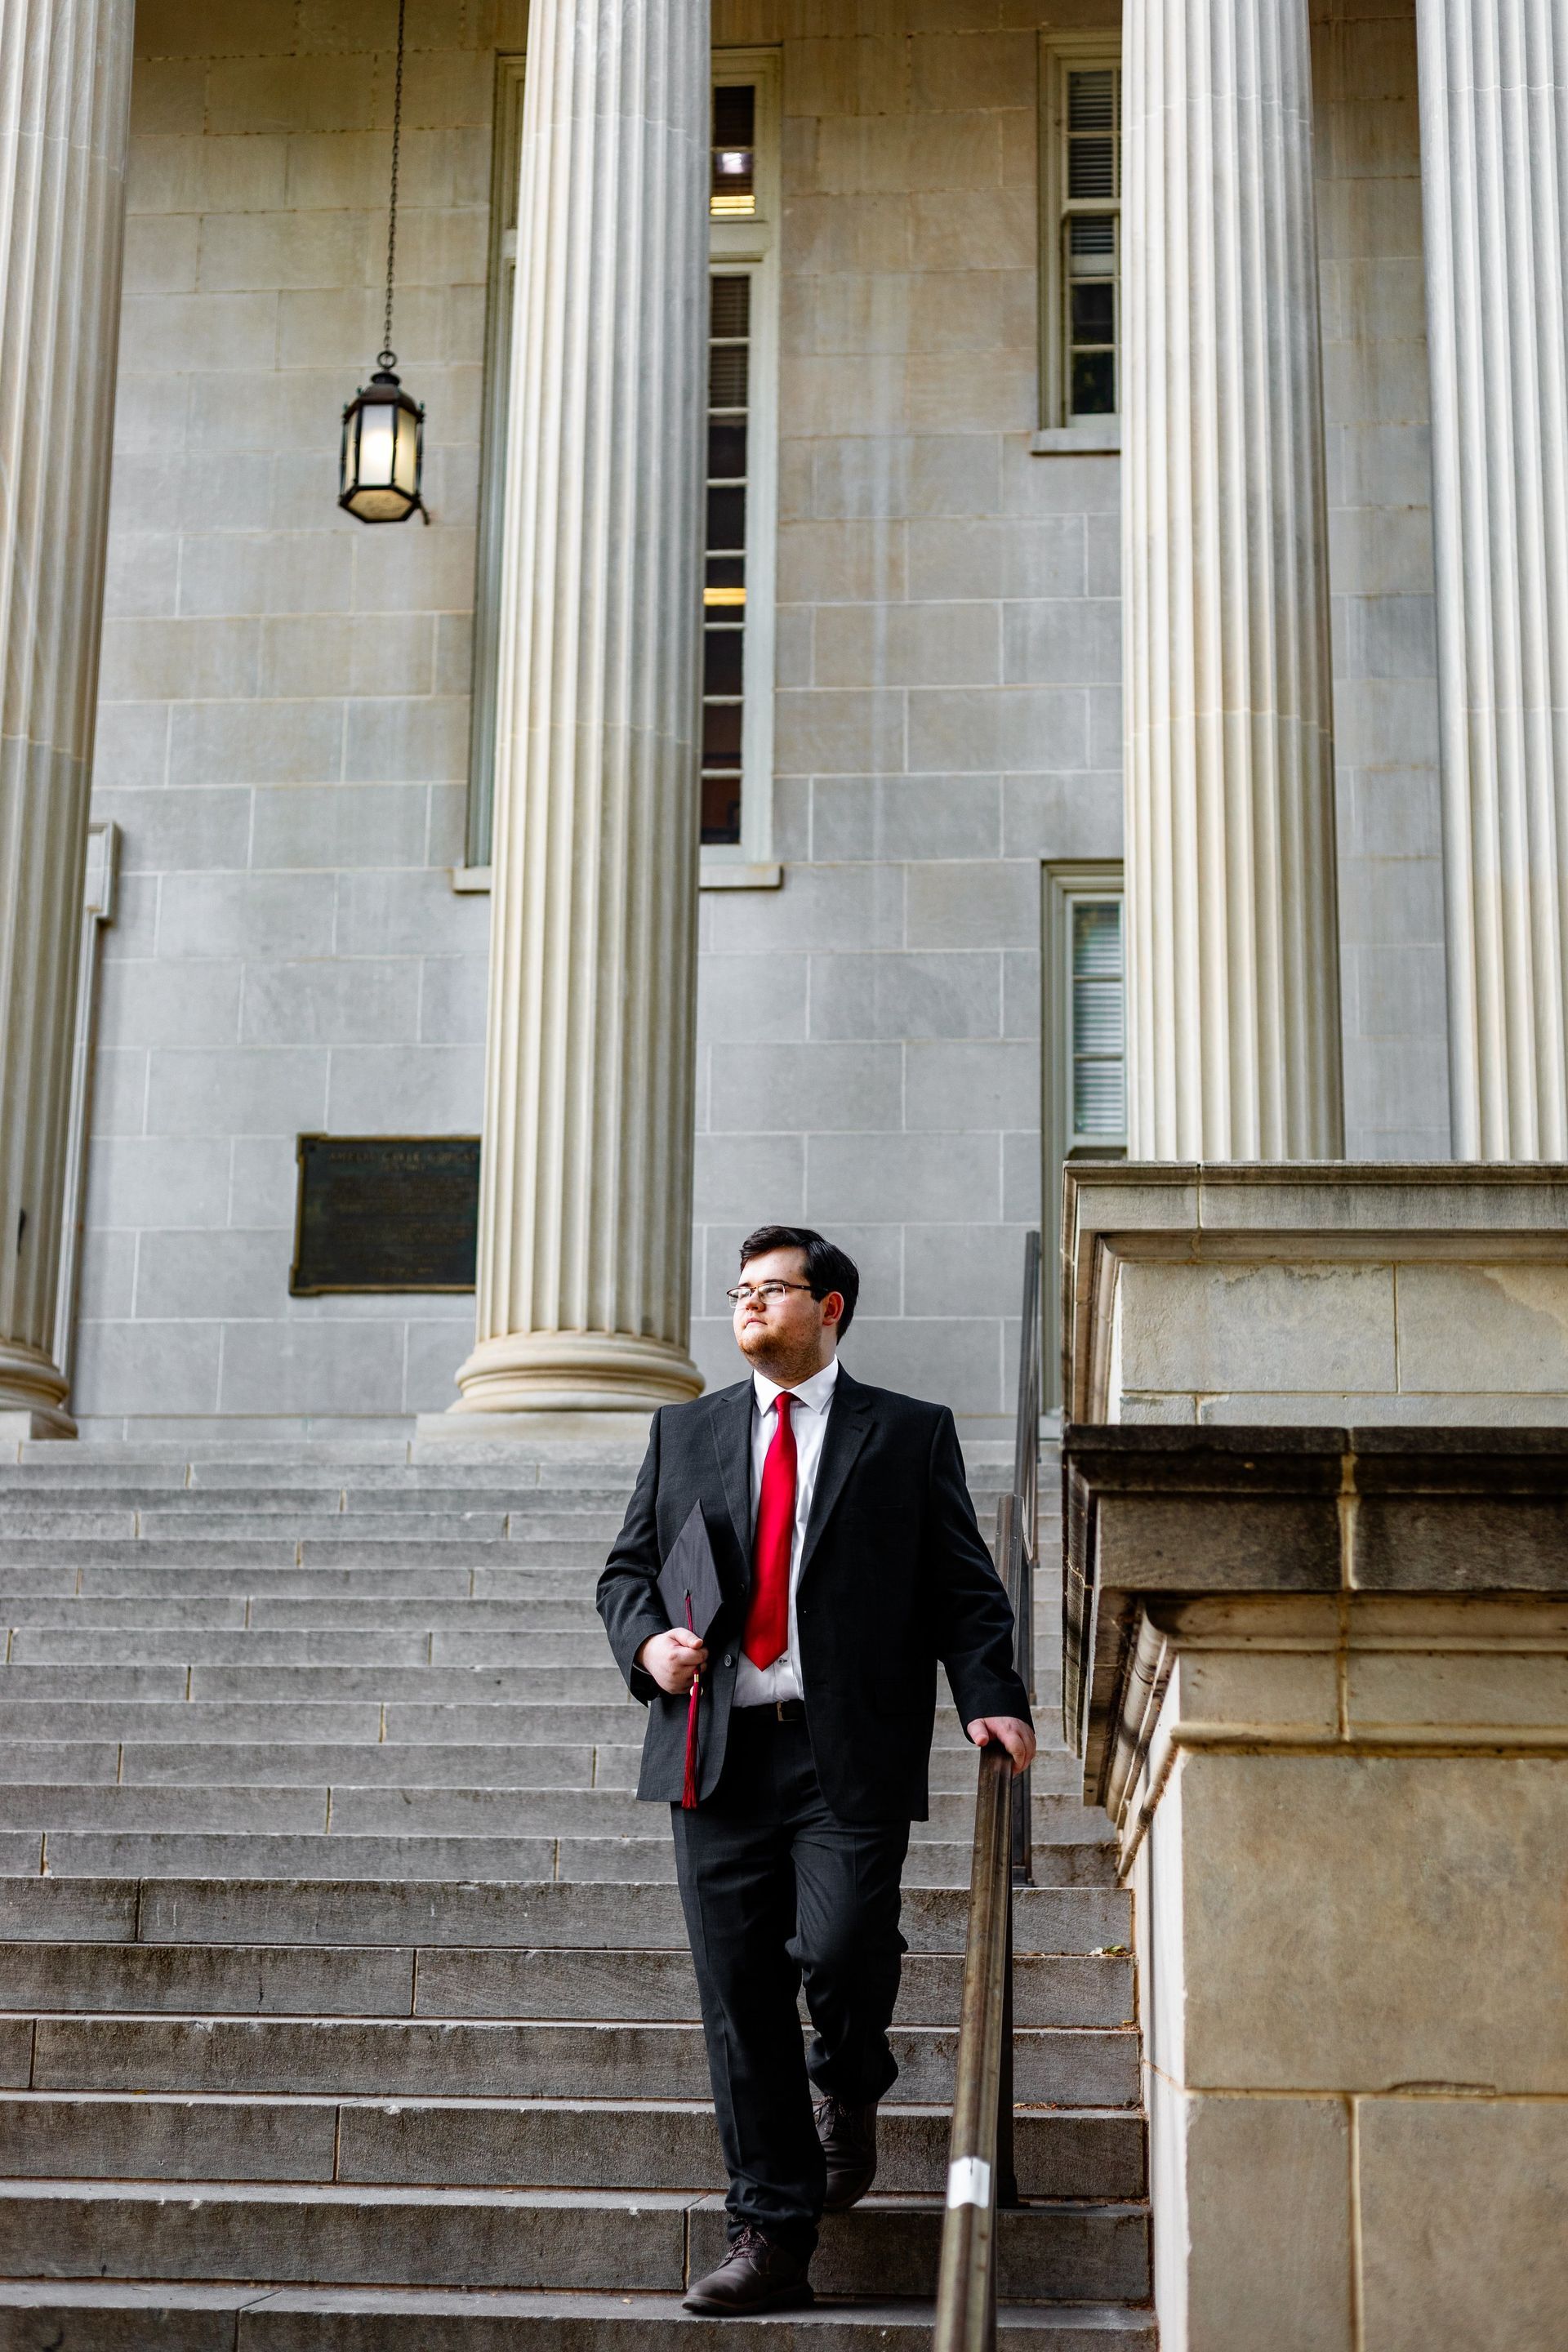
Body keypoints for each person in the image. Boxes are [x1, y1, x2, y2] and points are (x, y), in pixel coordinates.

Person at [596, 1223, 1036, 2316]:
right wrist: (650, 1647)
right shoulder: (683, 1429)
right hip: (716, 1748)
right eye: (740, 1290)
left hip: (845, 1748)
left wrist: (990, 1698)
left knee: (840, 1945)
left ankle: (850, 2079)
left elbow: (964, 1589)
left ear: (831, 1307)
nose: (748, 1305)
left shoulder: (907, 1435)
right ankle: (770, 2237)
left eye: (773, 1289)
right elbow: (626, 1573)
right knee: (741, 2002)